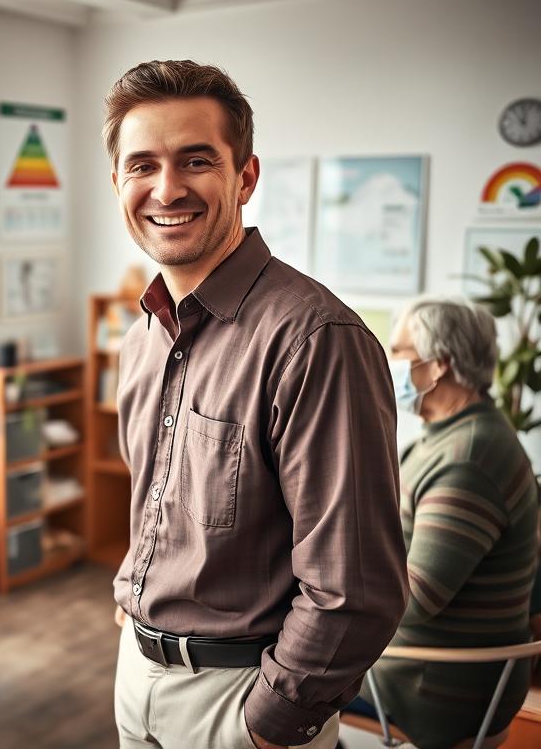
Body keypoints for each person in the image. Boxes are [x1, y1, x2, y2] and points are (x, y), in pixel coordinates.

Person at [104, 60, 409, 749]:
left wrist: (271, 725)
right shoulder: (141, 338)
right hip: (137, 677)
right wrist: (134, 608)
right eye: (142, 165)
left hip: (239, 700)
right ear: (118, 182)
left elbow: (353, 588)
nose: (167, 188)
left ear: (245, 177)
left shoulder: (314, 339)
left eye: (196, 160)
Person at [353, 297, 538, 748]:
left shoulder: (470, 458)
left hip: (427, 686)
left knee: (266, 680)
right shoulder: (448, 437)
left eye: (397, 352)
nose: (386, 362)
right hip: (415, 665)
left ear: (438, 367)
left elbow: (414, 597)